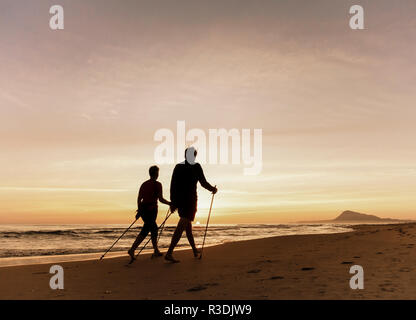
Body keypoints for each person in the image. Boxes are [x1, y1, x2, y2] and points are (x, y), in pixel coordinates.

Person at [165, 147, 218, 263]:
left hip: (180, 200)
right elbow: (203, 182)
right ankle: (169, 252)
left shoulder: (178, 167)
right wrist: (212, 189)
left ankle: (194, 250)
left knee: (187, 226)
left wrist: (173, 202)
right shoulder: (196, 166)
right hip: (189, 200)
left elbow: (172, 185)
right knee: (183, 224)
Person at [128, 165, 171, 262]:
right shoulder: (158, 184)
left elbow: (139, 199)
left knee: (152, 228)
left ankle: (155, 250)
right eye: (157, 173)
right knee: (148, 229)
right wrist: (170, 203)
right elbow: (160, 199)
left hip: (143, 209)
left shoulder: (144, 184)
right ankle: (132, 249)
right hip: (151, 210)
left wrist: (139, 211)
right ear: (156, 173)